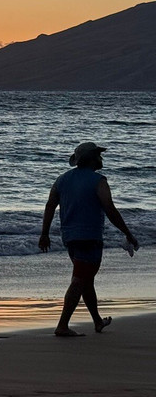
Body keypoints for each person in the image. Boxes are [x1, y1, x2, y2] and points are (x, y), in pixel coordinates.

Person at [39, 141, 139, 337]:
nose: (101, 158)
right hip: (89, 237)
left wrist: (45, 234)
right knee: (79, 280)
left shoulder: (62, 180)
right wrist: (127, 232)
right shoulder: (98, 181)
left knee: (86, 279)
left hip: (70, 238)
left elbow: (50, 205)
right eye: (98, 155)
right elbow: (109, 209)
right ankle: (62, 325)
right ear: (91, 159)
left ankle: (97, 321)